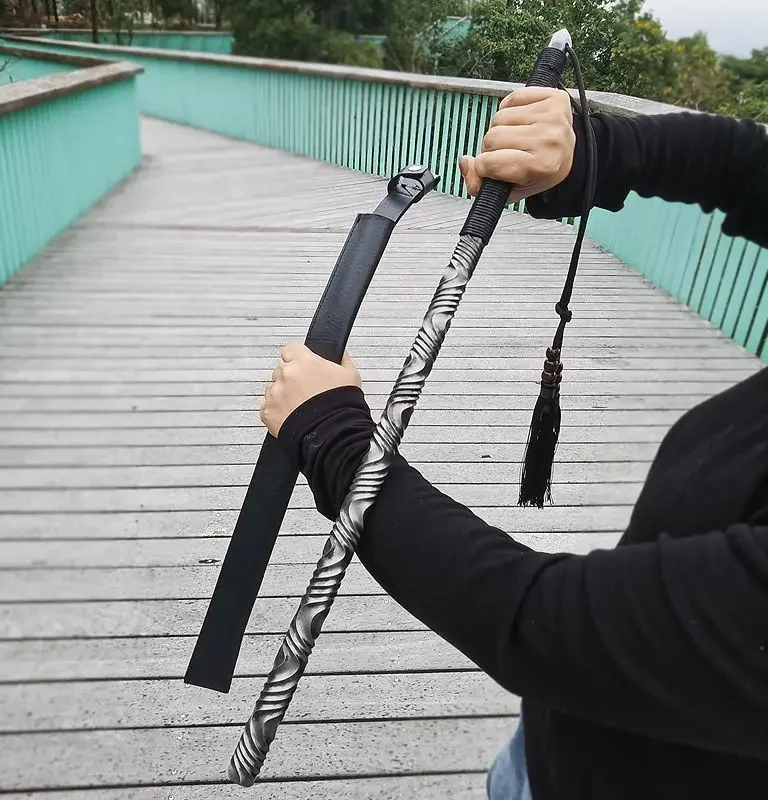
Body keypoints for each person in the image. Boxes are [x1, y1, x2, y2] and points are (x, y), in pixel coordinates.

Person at [259, 88, 768, 800]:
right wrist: (597, 151)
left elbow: (545, 625)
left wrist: (337, 441)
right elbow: (748, 163)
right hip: (562, 749)